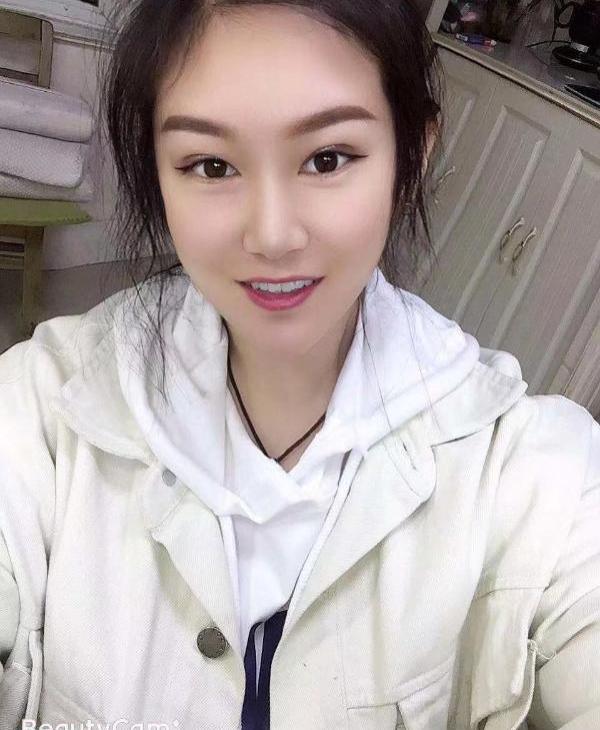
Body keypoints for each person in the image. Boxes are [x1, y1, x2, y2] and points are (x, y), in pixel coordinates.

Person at [0, 1, 598, 728]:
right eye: (211, 165)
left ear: (412, 157)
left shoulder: (530, 469)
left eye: (327, 159)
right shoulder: (44, 412)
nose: (273, 234)